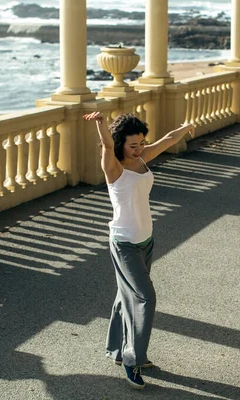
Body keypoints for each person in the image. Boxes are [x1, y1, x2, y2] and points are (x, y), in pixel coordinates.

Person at [83, 111, 195, 390]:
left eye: (142, 143)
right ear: (121, 143)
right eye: (133, 145)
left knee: (126, 297)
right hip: (124, 244)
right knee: (145, 298)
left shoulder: (142, 158)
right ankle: (133, 360)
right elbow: (107, 146)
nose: (139, 149)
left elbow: (168, 140)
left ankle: (117, 351)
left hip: (146, 240)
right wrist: (100, 123)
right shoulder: (114, 168)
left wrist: (185, 127)